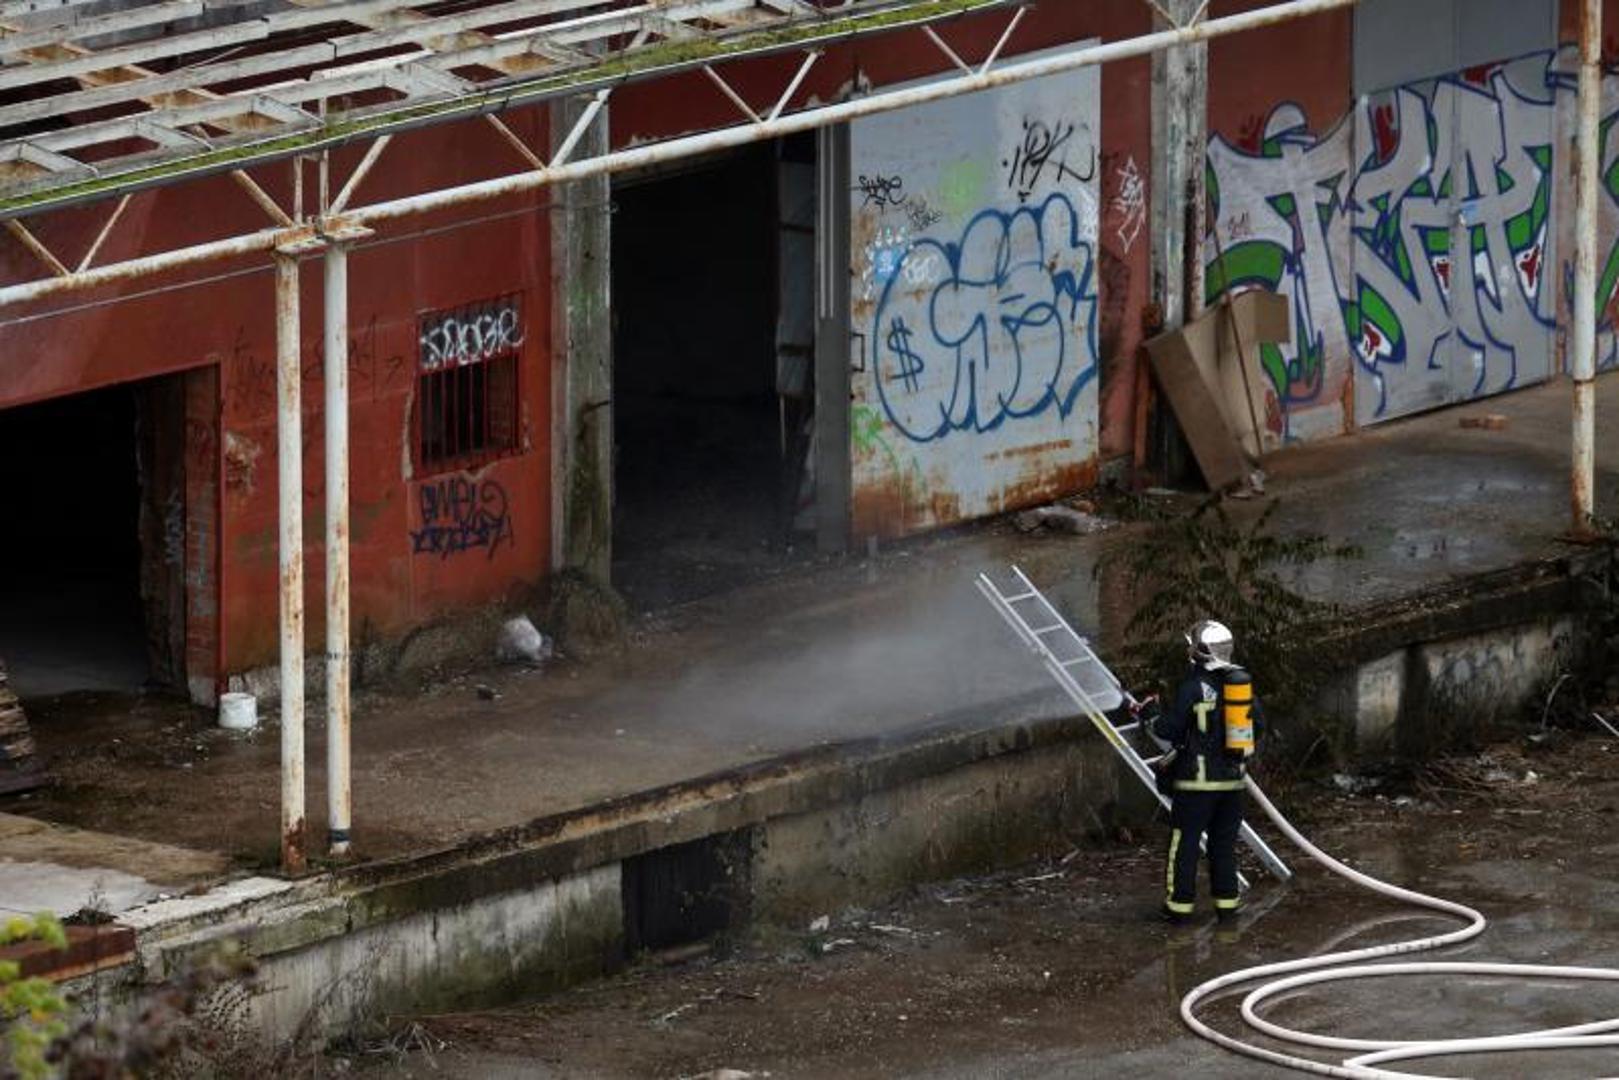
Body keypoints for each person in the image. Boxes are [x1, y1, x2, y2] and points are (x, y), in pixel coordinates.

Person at [1144, 619, 1260, 924]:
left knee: (1184, 843)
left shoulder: (1193, 686)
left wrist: (1150, 714)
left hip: (1196, 785)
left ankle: (1179, 907)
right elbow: (1257, 726)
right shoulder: (1239, 685)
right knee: (1223, 845)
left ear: (1198, 651)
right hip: (1232, 784)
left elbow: (1169, 729)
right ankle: (1227, 906)